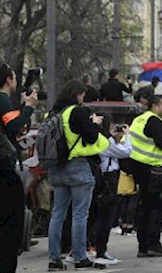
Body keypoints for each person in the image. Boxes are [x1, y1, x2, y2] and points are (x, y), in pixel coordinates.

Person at [47, 79, 110, 271]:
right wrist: (95, 123)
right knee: (80, 214)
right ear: (76, 94)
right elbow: (91, 136)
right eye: (82, 94)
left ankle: (54, 258)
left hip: (56, 167)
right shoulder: (76, 111)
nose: (83, 98)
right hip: (77, 167)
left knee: (57, 214)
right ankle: (80, 257)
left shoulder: (53, 113)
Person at [0, 64, 37, 273]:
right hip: (3, 172)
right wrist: (29, 107)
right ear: (9, 80)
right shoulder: (1, 100)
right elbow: (14, 126)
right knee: (10, 230)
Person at [128, 93, 162, 258]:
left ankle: (144, 246)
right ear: (154, 106)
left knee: (145, 208)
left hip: (140, 168)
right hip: (152, 170)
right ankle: (153, 244)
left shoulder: (139, 119)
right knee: (156, 208)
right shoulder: (154, 121)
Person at [91, 115, 132, 266]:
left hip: (101, 178)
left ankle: (91, 248)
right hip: (108, 179)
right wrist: (128, 136)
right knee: (106, 217)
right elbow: (126, 152)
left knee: (93, 216)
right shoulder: (105, 141)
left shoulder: (99, 138)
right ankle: (100, 251)